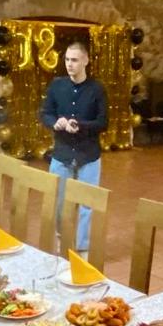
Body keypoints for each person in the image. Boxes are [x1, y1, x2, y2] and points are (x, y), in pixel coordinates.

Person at [39, 40, 107, 253]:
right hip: (62, 153)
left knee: (87, 204)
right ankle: (63, 241)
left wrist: (81, 126)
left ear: (86, 61)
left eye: (75, 60)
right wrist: (55, 122)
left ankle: (82, 248)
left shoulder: (97, 89)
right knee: (59, 202)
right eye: (67, 60)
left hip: (89, 154)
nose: (69, 64)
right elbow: (45, 113)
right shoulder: (56, 85)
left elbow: (103, 122)